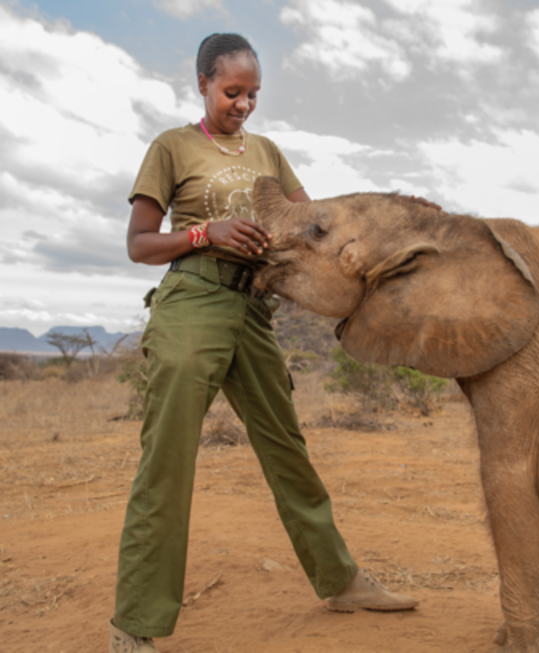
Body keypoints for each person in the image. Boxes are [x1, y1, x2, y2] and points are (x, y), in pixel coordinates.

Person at [110, 32, 418, 653]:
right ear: (202, 84)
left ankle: (341, 580)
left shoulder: (269, 153)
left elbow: (312, 224)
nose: (244, 104)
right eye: (232, 92)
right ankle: (135, 622)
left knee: (288, 451)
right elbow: (140, 244)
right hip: (191, 302)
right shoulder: (171, 147)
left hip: (251, 309)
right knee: (167, 462)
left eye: (253, 93)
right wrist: (206, 231)